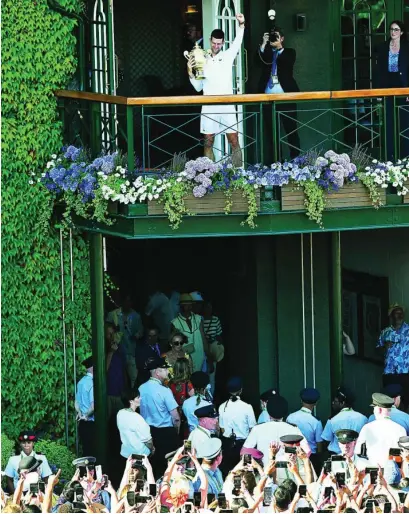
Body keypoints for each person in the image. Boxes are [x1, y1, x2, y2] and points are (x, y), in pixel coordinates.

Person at [186, 14, 246, 166]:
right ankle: (210, 176)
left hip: (227, 105)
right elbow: (198, 86)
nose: (216, 46)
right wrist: (189, 71)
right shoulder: (203, 59)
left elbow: (237, 43)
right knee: (208, 142)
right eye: (214, 43)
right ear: (210, 41)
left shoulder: (227, 56)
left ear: (223, 43)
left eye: (219, 44)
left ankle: (239, 175)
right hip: (209, 105)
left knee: (234, 140)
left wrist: (241, 24)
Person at [257, 26, 300, 159]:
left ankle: (296, 160)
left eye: (276, 37)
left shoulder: (289, 52)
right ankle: (277, 161)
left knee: (291, 129)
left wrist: (278, 47)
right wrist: (264, 44)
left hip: (286, 97)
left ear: (282, 38)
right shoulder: (267, 53)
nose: (274, 39)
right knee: (272, 132)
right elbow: (257, 61)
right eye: (272, 37)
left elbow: (286, 62)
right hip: (268, 98)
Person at [243, 394, 311, 468]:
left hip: (265, 472)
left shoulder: (257, 428)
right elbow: (307, 451)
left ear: (268, 411)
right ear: (285, 412)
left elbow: (244, 452)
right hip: (288, 473)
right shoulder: (293, 428)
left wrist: (255, 466)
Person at [139, 356, 181, 476]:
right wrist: (175, 431)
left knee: (153, 467)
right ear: (157, 372)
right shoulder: (164, 390)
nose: (168, 371)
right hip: (166, 432)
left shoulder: (141, 388)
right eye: (165, 369)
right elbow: (176, 417)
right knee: (170, 468)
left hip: (148, 432)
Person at [374, 21, 409, 160]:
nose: (393, 32)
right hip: (387, 87)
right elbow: (378, 71)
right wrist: (377, 92)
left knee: (405, 124)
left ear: (401, 32)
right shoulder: (383, 47)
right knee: (389, 124)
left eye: (396, 29)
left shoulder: (407, 47)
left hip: (403, 88)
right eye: (391, 29)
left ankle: (405, 158)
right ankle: (389, 157)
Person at [355, 392, 406, 467]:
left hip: (373, 471)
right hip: (393, 472)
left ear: (379, 410)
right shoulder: (401, 429)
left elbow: (358, 451)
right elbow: (404, 455)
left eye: (374, 409)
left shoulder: (367, 428)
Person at [218, 377, 256, 475]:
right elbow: (253, 429)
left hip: (227, 445)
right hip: (243, 444)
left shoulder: (222, 407)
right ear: (241, 390)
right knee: (244, 473)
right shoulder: (247, 407)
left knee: (228, 473)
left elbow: (221, 429)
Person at [107, 292, 143, 387]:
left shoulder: (136, 316)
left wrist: (136, 335)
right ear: (122, 302)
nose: (127, 303)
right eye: (125, 301)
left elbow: (141, 331)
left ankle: (132, 397)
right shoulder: (113, 314)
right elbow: (106, 330)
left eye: (129, 301)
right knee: (118, 376)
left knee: (133, 377)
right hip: (115, 351)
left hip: (131, 351)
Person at [377, 303, 409, 410]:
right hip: (389, 373)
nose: (399, 316)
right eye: (396, 313)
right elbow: (377, 352)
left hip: (405, 372)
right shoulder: (385, 332)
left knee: (406, 402)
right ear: (391, 316)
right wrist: (384, 347)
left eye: (401, 313)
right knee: (388, 403)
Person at [171, 293, 211, 374]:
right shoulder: (175, 323)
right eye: (186, 305)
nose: (189, 307)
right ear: (181, 306)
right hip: (185, 360)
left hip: (200, 357)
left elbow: (203, 338)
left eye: (190, 305)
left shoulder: (198, 319)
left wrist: (209, 358)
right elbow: (174, 346)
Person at [321, 386, 367, 455]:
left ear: (342, 403)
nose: (333, 403)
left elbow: (326, 439)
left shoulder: (333, 420)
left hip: (336, 456)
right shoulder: (363, 418)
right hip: (357, 456)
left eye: (335, 401)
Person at [287, 388, 324, 472]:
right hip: (310, 456)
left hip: (293, 454)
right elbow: (319, 444)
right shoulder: (316, 421)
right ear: (316, 403)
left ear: (301, 400)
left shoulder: (290, 417)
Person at [116, 387, 153, 460]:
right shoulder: (137, 418)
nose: (140, 399)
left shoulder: (120, 413)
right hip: (140, 455)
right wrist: (152, 449)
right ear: (131, 401)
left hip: (125, 453)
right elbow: (148, 441)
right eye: (138, 397)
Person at [75, 356, 95, 457]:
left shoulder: (81, 382)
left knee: (85, 453)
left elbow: (76, 402)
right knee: (93, 454)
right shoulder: (92, 383)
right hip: (91, 423)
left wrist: (79, 413)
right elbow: (93, 406)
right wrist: (86, 415)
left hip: (82, 424)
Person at [105, 322, 126, 419]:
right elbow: (103, 370)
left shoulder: (119, 348)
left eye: (113, 333)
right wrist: (111, 353)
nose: (111, 337)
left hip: (118, 394)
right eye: (109, 334)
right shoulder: (103, 349)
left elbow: (122, 370)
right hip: (108, 394)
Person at [202, 300, 223, 394]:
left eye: (210, 307)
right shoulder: (200, 320)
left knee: (212, 376)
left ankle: (211, 398)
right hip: (202, 349)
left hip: (213, 349)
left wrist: (219, 348)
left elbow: (219, 335)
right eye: (206, 307)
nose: (208, 309)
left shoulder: (215, 319)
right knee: (203, 373)